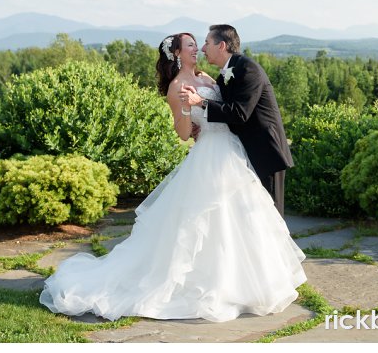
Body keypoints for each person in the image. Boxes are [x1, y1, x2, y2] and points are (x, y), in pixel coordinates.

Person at [38, 32, 306, 323]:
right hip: (210, 157)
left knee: (240, 215)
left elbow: (228, 111)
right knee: (207, 219)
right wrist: (189, 112)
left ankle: (245, 280)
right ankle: (209, 285)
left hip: (232, 151)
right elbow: (182, 132)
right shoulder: (177, 86)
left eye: (200, 44)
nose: (198, 50)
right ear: (177, 53)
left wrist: (204, 112)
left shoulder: (207, 77)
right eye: (192, 45)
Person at [181, 24, 293, 215]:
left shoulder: (248, 70)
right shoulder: (225, 73)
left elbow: (240, 113)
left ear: (221, 46)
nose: (202, 49)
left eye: (207, 43)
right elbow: (226, 111)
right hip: (242, 153)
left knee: (271, 217)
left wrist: (201, 102)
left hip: (265, 152)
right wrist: (203, 125)